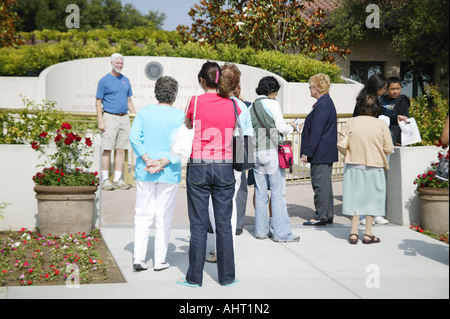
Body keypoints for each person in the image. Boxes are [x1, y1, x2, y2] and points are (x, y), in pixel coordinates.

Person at [177, 61, 240, 288]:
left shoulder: (194, 101)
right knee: (224, 224)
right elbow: (239, 131)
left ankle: (194, 277)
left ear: (202, 80)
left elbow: (187, 124)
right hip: (224, 167)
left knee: (198, 223)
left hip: (199, 165)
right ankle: (227, 277)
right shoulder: (234, 105)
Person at [129, 76, 184, 272]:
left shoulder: (144, 112)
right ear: (174, 94)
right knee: (164, 216)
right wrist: (163, 162)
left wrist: (147, 159)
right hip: (168, 171)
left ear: (156, 92)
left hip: (145, 170)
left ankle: (139, 257)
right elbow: (181, 146)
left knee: (142, 214)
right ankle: (160, 260)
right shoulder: (179, 116)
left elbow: (134, 137)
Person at [205, 62, 253, 263]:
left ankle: (220, 248)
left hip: (213, 159)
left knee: (213, 206)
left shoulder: (214, 102)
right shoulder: (241, 106)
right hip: (235, 161)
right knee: (229, 205)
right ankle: (228, 249)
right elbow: (248, 136)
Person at [250, 76, 300, 242]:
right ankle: (281, 233)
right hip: (271, 151)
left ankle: (261, 231)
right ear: (272, 91)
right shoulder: (272, 103)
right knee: (278, 194)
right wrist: (292, 126)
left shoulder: (251, 106)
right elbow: (281, 128)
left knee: (260, 192)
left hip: (256, 152)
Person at [339, 95, 394, 244]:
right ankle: (368, 233)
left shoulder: (351, 122)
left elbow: (342, 143)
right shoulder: (381, 124)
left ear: (359, 107)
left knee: (355, 198)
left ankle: (353, 233)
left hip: (353, 164)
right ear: (376, 109)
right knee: (372, 199)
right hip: (374, 165)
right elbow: (389, 148)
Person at [300, 73, 338, 226]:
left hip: (320, 152)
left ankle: (320, 215)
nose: (309, 90)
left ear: (316, 88)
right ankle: (327, 214)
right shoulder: (326, 103)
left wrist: (306, 152)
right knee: (325, 185)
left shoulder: (322, 104)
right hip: (325, 151)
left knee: (319, 185)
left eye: (310, 87)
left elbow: (316, 131)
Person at [352, 73, 389, 225]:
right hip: (366, 144)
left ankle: (374, 214)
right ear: (378, 87)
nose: (386, 91)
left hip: (375, 144)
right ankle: (363, 215)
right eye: (384, 88)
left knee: (375, 183)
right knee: (364, 183)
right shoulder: (366, 99)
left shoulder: (377, 99)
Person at [96, 53, 136, 191]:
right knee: (107, 148)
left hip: (124, 117)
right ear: (112, 63)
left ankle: (118, 180)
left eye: (121, 63)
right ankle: (105, 180)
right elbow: (98, 101)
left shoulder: (126, 80)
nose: (119, 65)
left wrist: (135, 117)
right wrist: (100, 121)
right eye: (117, 63)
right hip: (109, 116)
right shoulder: (104, 81)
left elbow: (129, 100)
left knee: (121, 149)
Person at [380, 77, 410, 146]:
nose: (395, 92)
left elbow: (403, 121)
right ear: (387, 89)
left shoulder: (402, 100)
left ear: (401, 88)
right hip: (381, 133)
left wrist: (399, 140)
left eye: (398, 89)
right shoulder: (382, 100)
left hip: (395, 137)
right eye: (392, 89)